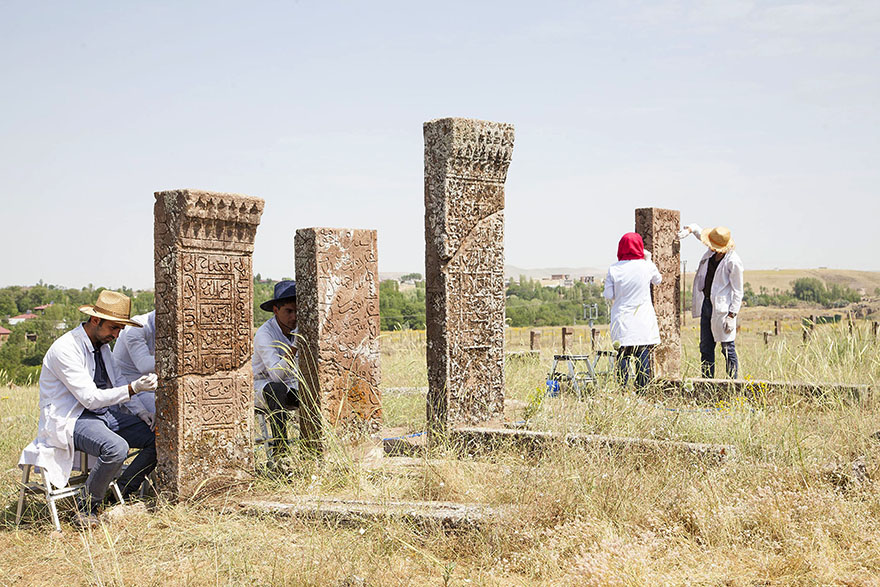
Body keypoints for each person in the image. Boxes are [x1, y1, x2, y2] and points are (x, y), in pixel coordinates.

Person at [19, 290, 158, 528]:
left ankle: (119, 494)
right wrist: (134, 388)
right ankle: (86, 508)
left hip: (100, 414)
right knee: (116, 448)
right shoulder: (66, 348)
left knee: (158, 437)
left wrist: (140, 412)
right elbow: (90, 399)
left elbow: (116, 381)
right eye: (113, 328)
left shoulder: (102, 347)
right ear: (95, 320)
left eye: (119, 330)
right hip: (71, 417)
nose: (116, 335)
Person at [681, 224, 744, 379]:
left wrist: (732, 315)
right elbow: (698, 231)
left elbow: (738, 291)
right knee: (706, 346)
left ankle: (732, 383)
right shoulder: (711, 253)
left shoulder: (733, 261)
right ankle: (707, 381)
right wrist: (689, 230)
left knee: (727, 348)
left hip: (723, 309)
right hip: (707, 303)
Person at [603, 232, 662, 390]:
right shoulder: (645, 266)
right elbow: (658, 280)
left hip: (622, 317)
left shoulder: (614, 269)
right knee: (642, 354)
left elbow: (609, 295)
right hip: (642, 318)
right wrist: (648, 260)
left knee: (623, 354)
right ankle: (642, 391)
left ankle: (623, 389)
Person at [252, 280, 300, 452]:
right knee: (276, 389)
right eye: (288, 311)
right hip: (262, 387)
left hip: (290, 385)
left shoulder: (297, 329)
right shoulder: (264, 334)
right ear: (275, 310)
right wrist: (294, 347)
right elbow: (275, 376)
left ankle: (312, 447)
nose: (294, 317)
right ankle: (281, 450)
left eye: (297, 311)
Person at [113, 310, 156, 427]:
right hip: (130, 390)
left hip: (151, 385)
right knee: (163, 416)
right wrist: (182, 358)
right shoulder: (136, 327)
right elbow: (144, 365)